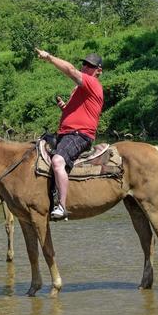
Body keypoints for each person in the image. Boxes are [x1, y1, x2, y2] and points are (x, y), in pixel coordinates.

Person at [34, 48, 104, 221]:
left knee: (58, 160)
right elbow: (78, 111)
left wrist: (49, 57)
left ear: (98, 71)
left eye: (91, 66)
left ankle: (62, 206)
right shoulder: (78, 90)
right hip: (66, 133)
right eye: (85, 64)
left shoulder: (92, 83)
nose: (86, 67)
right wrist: (65, 108)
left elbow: (71, 70)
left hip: (79, 135)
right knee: (35, 150)